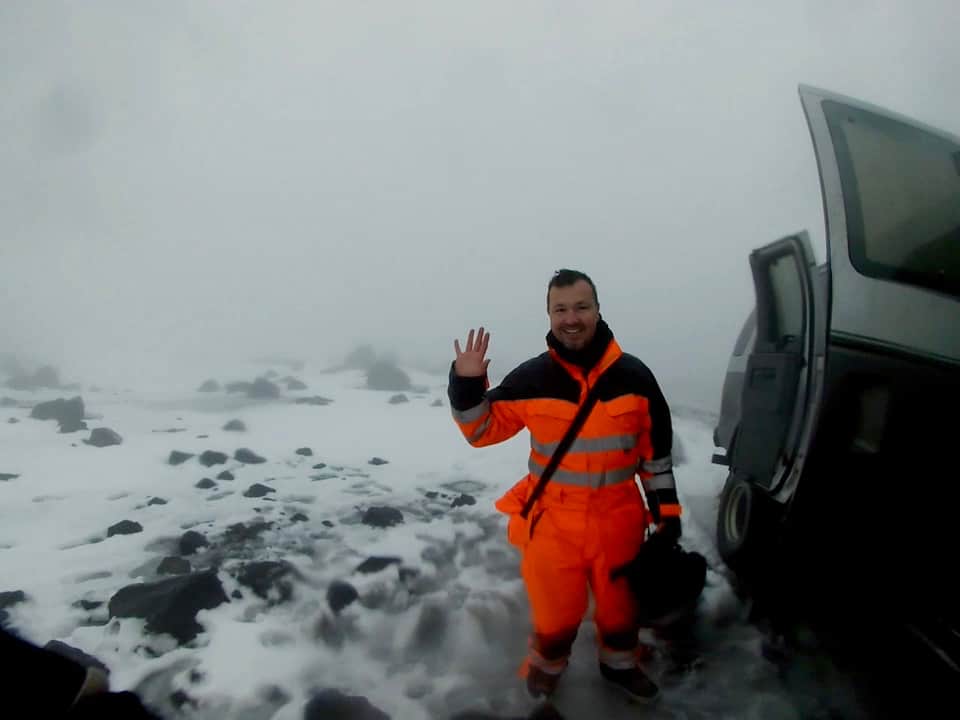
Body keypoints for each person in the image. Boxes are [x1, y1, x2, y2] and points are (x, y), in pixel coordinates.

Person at [448, 269, 682, 702]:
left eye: (580, 306)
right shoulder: (532, 378)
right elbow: (480, 430)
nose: (571, 318)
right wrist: (465, 383)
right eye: (560, 309)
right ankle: (546, 669)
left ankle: (620, 666)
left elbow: (656, 458)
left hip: (620, 519)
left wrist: (666, 518)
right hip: (553, 522)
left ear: (597, 310)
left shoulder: (635, 377)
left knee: (620, 609)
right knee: (556, 614)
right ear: (549, 315)